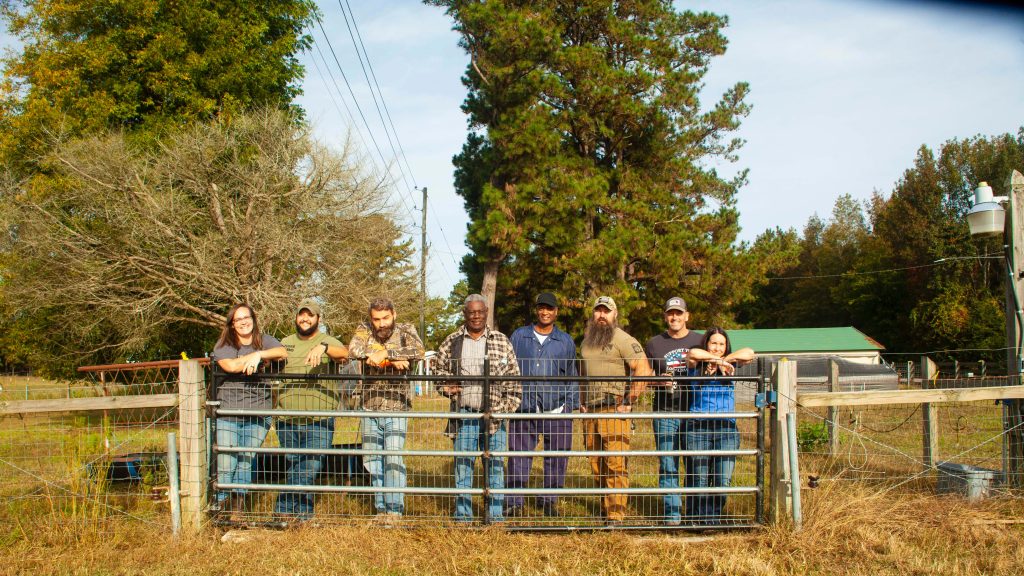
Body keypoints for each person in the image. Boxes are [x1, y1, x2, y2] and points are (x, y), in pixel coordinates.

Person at [435, 294, 521, 523]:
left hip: (496, 415)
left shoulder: (501, 341)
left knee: (495, 466)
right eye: (471, 312)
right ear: (464, 314)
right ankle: (463, 515)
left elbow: (514, 381)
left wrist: (503, 410)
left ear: (486, 313)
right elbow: (437, 372)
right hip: (464, 414)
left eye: (480, 312)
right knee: (463, 466)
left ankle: (494, 515)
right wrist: (446, 385)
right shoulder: (452, 341)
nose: (476, 316)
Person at [347, 298, 425, 520]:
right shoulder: (364, 329)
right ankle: (381, 509)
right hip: (369, 406)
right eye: (376, 319)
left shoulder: (406, 329)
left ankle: (394, 510)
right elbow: (354, 349)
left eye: (385, 318)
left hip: (397, 406)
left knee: (392, 458)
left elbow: (418, 350)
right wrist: (394, 360)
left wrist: (384, 354)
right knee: (371, 460)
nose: (381, 323)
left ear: (394, 314)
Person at [579, 296, 653, 525]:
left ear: (615, 314)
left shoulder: (624, 339)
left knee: (615, 462)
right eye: (598, 311)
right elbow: (583, 374)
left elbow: (643, 369)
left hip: (613, 408)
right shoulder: (586, 341)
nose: (602, 315)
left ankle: (616, 514)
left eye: (606, 311)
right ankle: (604, 507)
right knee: (596, 462)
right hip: (590, 411)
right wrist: (582, 401)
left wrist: (630, 400)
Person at [274, 299, 349, 521]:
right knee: (294, 465)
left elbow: (346, 354)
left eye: (310, 315)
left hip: (319, 418)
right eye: (301, 315)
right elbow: (273, 361)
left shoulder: (329, 341)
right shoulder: (285, 342)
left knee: (309, 467)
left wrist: (324, 348)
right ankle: (303, 515)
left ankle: (283, 509)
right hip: (287, 417)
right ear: (296, 317)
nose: (304, 318)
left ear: (318, 319)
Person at [506, 292, 579, 518]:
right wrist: (511, 399)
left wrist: (569, 405)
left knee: (557, 456)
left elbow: (572, 375)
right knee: (518, 455)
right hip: (525, 406)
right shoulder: (519, 336)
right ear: (536, 310)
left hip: (556, 409)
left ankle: (549, 501)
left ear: (556, 312)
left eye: (549, 308)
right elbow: (508, 368)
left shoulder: (565, 341)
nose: (545, 312)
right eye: (541, 308)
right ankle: (514, 502)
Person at [211, 303, 287, 514]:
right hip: (230, 412)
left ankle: (237, 510)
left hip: (258, 412)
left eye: (247, 317)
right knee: (226, 462)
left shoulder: (265, 340)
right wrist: (254, 356)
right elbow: (231, 366)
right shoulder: (225, 344)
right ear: (232, 324)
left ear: (253, 319)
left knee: (245, 460)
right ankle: (219, 505)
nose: (243, 322)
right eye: (238, 319)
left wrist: (259, 355)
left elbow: (282, 351)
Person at [684, 327, 755, 524]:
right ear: (707, 343)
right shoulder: (696, 365)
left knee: (722, 480)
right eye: (713, 343)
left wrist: (726, 360)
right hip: (698, 428)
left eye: (721, 344)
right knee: (700, 479)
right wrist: (716, 360)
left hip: (726, 429)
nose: (717, 347)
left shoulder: (730, 365)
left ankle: (712, 518)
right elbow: (693, 353)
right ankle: (699, 521)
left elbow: (749, 353)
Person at [644, 296, 703, 526]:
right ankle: (672, 514)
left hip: (694, 410)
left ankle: (695, 512)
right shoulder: (654, 343)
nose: (675, 317)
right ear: (665, 316)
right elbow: (644, 377)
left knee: (695, 463)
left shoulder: (700, 340)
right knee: (668, 463)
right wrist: (660, 381)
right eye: (671, 313)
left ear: (687, 316)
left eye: (679, 313)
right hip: (665, 411)